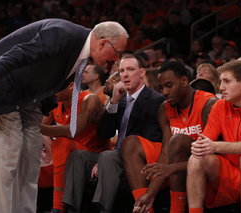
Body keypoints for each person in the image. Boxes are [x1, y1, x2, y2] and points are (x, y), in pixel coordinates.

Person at [0, 19, 128, 213]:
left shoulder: (82, 53)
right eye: (117, 52)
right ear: (103, 42)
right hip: (3, 85)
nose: (116, 60)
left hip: (31, 97)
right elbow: (22, 52)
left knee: (30, 162)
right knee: (8, 159)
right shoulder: (63, 33)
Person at [62, 54, 165, 213]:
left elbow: (147, 140)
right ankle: (70, 209)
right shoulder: (120, 100)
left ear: (142, 73)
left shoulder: (154, 100)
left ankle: (103, 210)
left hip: (137, 160)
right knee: (77, 157)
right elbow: (103, 134)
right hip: (112, 157)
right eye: (122, 70)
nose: (125, 74)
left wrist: (110, 158)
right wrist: (114, 102)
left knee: (107, 157)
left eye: (131, 69)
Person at [126, 61, 217, 213]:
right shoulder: (165, 108)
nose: (165, 92)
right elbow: (166, 152)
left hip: (208, 164)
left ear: (184, 81)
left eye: (169, 85)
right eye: (161, 88)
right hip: (179, 163)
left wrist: (170, 168)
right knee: (129, 143)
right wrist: (150, 193)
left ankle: (176, 210)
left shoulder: (209, 104)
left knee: (178, 141)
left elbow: (213, 154)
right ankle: (144, 208)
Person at [187, 60, 241, 213]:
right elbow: (206, 140)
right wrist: (199, 146)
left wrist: (216, 146)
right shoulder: (220, 105)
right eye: (221, 81)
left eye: (227, 81)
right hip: (231, 173)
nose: (221, 87)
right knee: (196, 159)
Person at [40, 81, 111, 213]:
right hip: (68, 155)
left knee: (61, 143)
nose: (51, 91)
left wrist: (35, 127)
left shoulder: (90, 99)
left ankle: (58, 208)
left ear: (71, 85)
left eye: (56, 87)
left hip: (94, 157)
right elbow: (39, 132)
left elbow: (72, 132)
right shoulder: (55, 102)